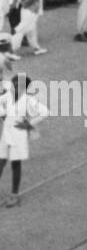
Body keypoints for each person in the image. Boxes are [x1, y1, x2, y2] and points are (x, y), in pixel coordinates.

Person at [0, 72, 49, 206]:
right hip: (6, 133)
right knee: (0, 162)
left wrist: (28, 124)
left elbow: (44, 112)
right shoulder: (8, 96)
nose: (15, 86)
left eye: (19, 84)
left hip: (19, 135)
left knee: (15, 164)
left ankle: (14, 195)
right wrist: (3, 114)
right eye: (14, 83)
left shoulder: (28, 100)